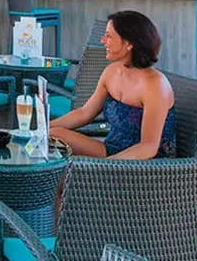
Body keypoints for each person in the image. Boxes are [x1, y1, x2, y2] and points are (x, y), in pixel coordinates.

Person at [51, 11, 176, 159]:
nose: (103, 41)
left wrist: (107, 166)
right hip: (113, 150)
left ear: (128, 43)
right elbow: (84, 113)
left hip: (148, 163)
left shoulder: (155, 85)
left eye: (108, 36)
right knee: (52, 134)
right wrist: (42, 128)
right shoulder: (111, 72)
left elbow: (148, 147)